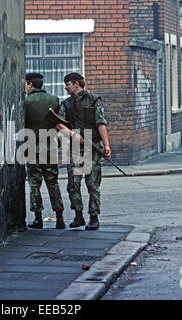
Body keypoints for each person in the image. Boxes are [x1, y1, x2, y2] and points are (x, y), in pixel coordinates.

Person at [56, 72, 111, 231]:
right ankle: (78, 215)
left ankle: (94, 217)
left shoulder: (94, 100)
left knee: (92, 183)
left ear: (76, 84)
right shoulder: (66, 104)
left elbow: (101, 123)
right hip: (74, 147)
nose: (65, 87)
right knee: (73, 184)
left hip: (92, 146)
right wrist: (72, 134)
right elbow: (59, 124)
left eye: (67, 84)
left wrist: (106, 145)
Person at [24, 72, 66, 229]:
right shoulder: (54, 100)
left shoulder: (25, 101)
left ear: (30, 84)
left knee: (34, 182)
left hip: (31, 147)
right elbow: (60, 123)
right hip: (49, 147)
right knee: (53, 181)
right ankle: (60, 218)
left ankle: (38, 218)